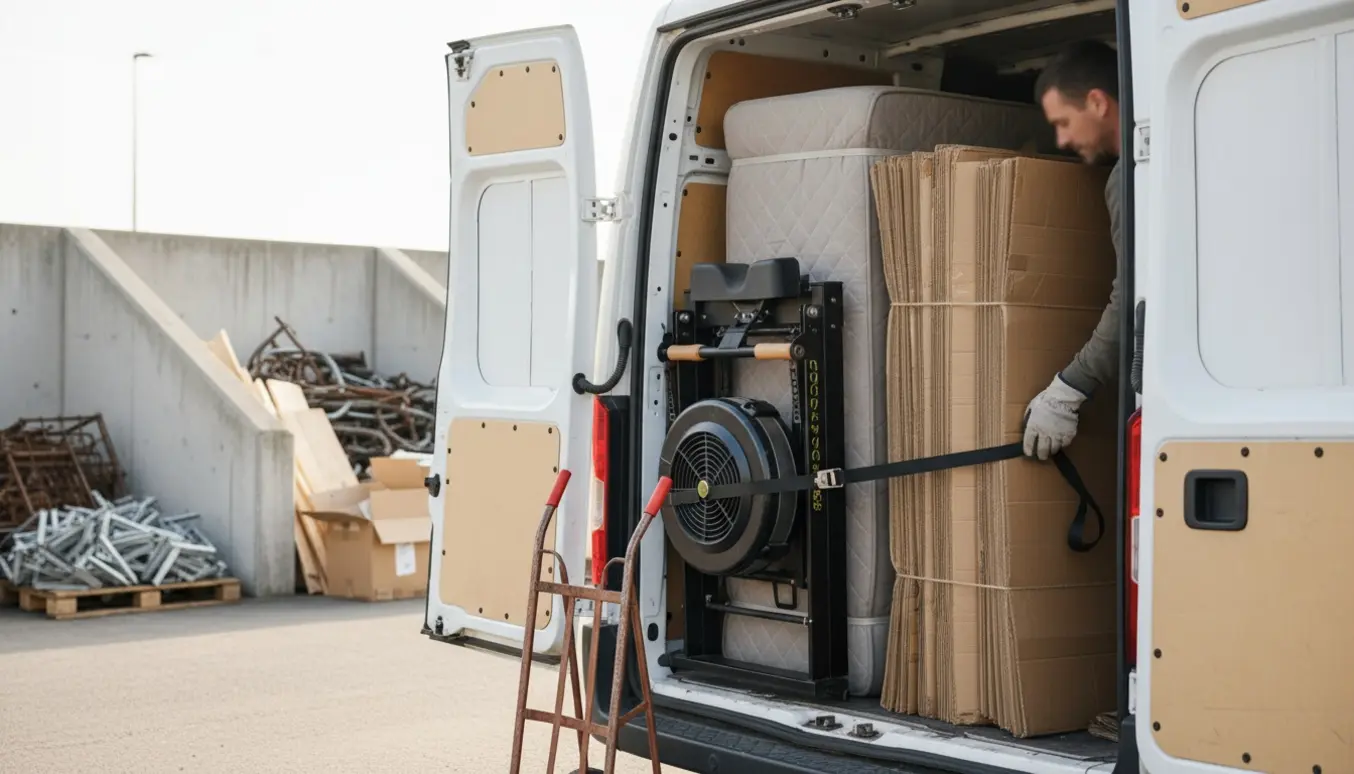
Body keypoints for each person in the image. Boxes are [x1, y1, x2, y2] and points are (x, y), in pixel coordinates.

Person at [1022, 40, 1125, 460]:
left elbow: (1136, 297)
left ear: (1098, 102)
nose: (1061, 140)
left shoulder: (1130, 178)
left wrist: (1068, 389)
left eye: (1064, 121)